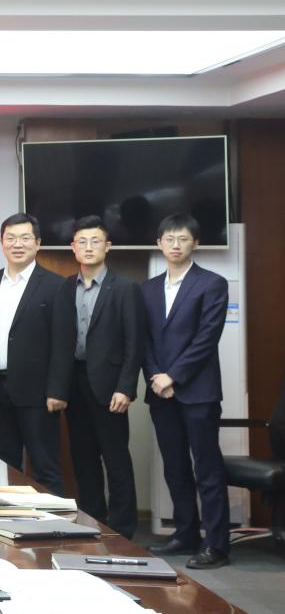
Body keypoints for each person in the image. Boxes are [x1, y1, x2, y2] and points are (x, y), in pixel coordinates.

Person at [142, 214, 230, 569]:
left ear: (195, 242)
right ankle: (186, 533)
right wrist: (155, 376)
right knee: (174, 467)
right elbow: (144, 340)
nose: (175, 245)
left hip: (198, 392)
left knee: (207, 468)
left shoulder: (212, 283)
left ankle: (217, 544)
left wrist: (173, 377)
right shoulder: (148, 289)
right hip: (159, 392)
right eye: (169, 238)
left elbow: (207, 338)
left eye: (182, 239)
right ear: (159, 243)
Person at [52, 215, 143, 539]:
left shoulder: (125, 288)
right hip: (75, 384)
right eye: (82, 242)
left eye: (95, 241)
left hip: (110, 385)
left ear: (108, 246)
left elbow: (135, 343)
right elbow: (60, 343)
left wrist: (126, 388)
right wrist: (57, 388)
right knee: (83, 458)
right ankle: (93, 523)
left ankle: (122, 529)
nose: (88, 247)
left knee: (116, 459)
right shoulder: (65, 288)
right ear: (73, 247)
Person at [0, 213, 68, 494]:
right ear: (2, 243)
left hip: (38, 393)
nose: (17, 244)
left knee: (45, 466)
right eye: (11, 238)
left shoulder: (56, 285)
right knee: (3, 464)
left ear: (38, 243)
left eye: (25, 238)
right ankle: (8, 518)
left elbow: (63, 342)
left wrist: (57, 390)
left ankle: (51, 520)